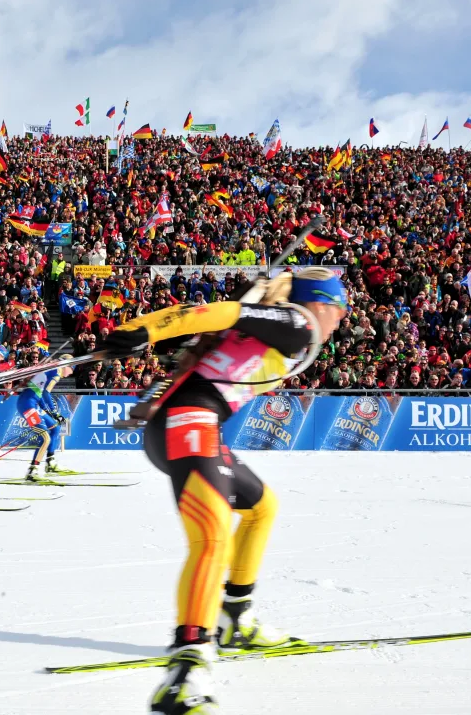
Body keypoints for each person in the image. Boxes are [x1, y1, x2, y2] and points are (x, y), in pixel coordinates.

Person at [104, 268, 347, 715]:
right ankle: (186, 670)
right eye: (341, 310)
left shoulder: (280, 325)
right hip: (189, 426)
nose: (339, 322)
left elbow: (223, 325)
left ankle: (237, 617)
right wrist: (144, 328)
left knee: (261, 507)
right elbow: (212, 312)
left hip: (195, 428)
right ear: (324, 304)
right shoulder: (300, 323)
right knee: (212, 540)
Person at [16, 354, 75, 480]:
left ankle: (50, 462)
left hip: (31, 402)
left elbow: (40, 393)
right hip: (28, 405)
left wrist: (46, 410)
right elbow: (47, 393)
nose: (70, 373)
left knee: (55, 428)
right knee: (45, 438)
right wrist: (54, 412)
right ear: (67, 365)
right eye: (72, 369)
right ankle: (33, 471)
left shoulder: (52, 368)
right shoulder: (57, 371)